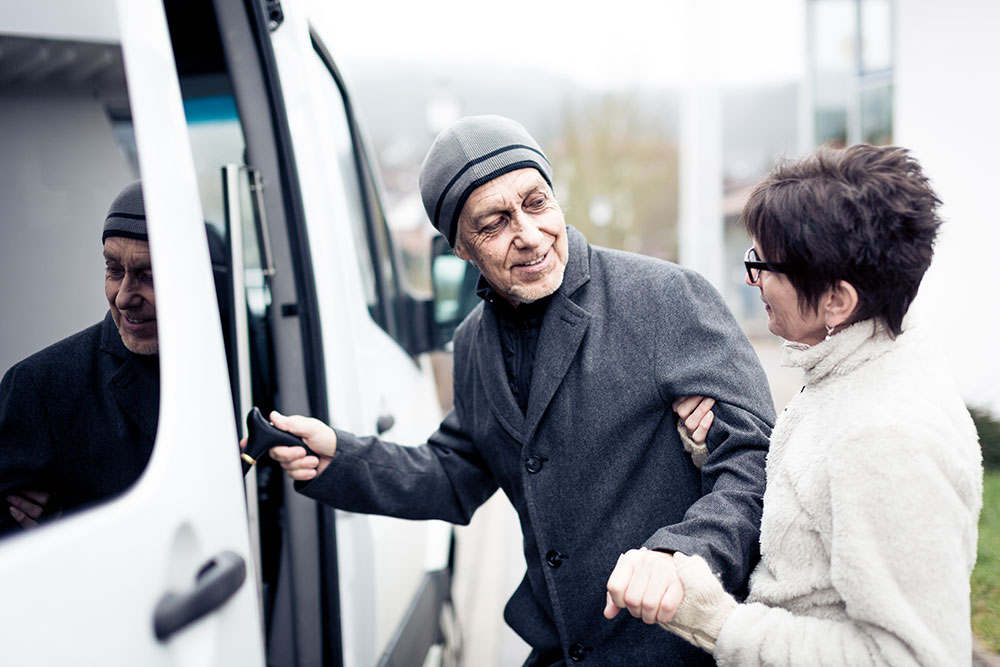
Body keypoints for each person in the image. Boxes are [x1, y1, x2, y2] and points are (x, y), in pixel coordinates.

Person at [267, 115, 776, 666]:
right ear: (460, 250)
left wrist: (687, 552)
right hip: (560, 651)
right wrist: (339, 458)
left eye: (537, 203)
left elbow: (754, 459)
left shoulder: (668, 298)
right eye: (494, 223)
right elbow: (453, 473)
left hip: (678, 650)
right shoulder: (471, 345)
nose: (529, 235)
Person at [657, 145, 984, 665]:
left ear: (837, 300)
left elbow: (913, 658)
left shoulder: (886, 439)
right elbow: (817, 519)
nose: (754, 280)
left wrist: (718, 621)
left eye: (764, 266)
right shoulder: (856, 366)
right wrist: (709, 449)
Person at [0, 180, 159, 532]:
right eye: (114, 271)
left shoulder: (240, 355)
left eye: (148, 275)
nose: (123, 297)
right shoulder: (40, 385)